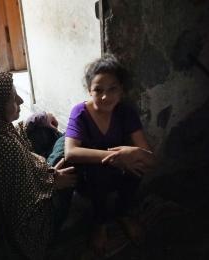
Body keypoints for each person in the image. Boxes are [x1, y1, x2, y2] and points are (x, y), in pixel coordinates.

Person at [0, 71, 77, 260]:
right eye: (12, 99)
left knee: (43, 130)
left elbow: (17, 133)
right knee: (68, 141)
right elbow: (32, 196)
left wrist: (38, 118)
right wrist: (55, 179)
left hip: (30, 181)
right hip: (38, 226)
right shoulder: (6, 148)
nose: (21, 100)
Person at [64, 54, 156, 256]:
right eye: (98, 90)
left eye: (112, 89)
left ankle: (123, 213)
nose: (105, 96)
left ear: (121, 90)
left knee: (137, 165)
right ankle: (100, 223)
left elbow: (150, 159)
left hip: (119, 172)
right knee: (99, 173)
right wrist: (115, 158)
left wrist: (134, 153)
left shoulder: (126, 112)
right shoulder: (80, 113)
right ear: (89, 90)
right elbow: (70, 152)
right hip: (89, 178)